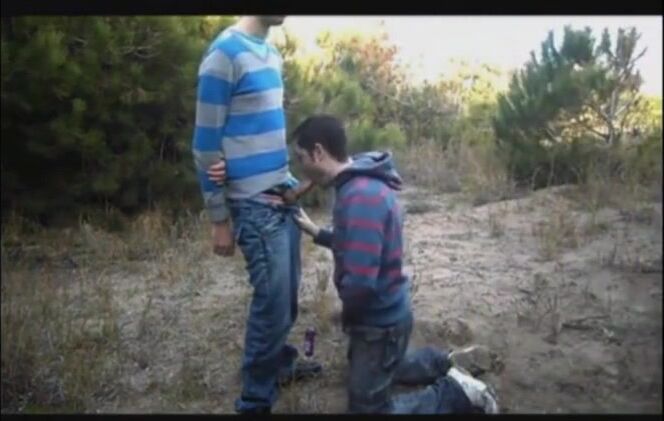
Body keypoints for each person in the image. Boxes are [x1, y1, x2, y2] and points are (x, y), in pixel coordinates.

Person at [290, 115, 499, 414]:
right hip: (388, 316)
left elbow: (361, 282)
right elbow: (358, 242)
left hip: (378, 323)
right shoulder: (358, 182)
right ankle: (445, 362)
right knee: (384, 363)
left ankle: (457, 394)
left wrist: (346, 313)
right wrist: (318, 233)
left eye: (300, 158)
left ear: (318, 153)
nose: (300, 168)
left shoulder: (360, 197)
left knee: (367, 409)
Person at [191, 16, 319, 414]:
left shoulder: (271, 53)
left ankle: (279, 365)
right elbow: (205, 145)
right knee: (272, 305)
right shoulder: (223, 56)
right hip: (252, 205)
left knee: (287, 299)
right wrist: (219, 220)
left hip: (282, 196)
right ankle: (254, 400)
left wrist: (295, 180)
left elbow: (259, 128)